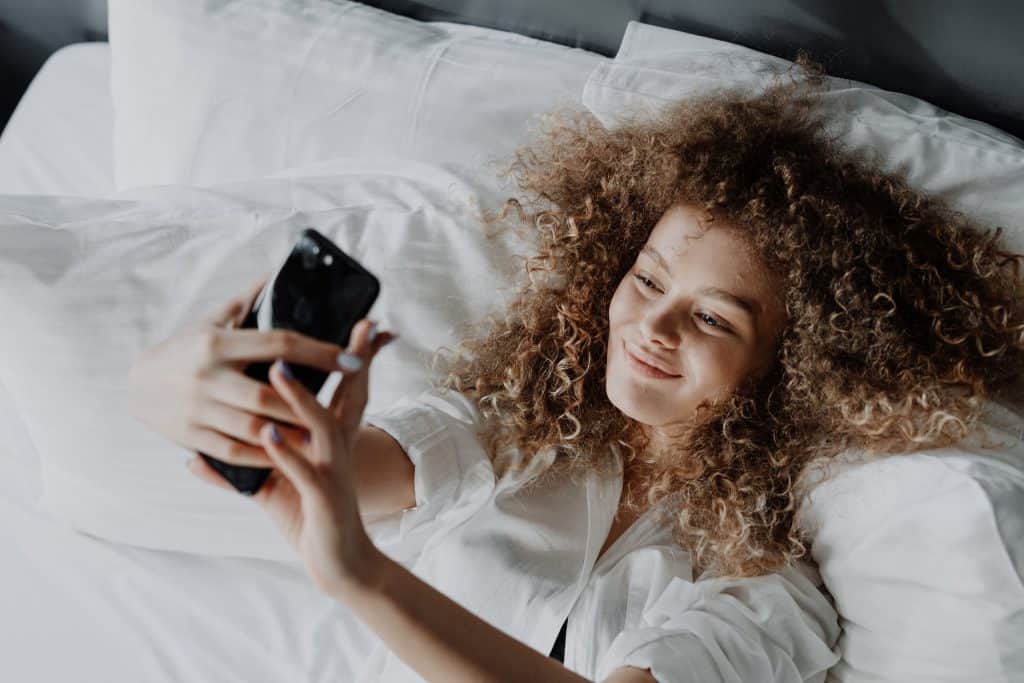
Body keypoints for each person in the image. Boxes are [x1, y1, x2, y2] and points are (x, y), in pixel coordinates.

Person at [128, 57, 1024, 682]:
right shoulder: (512, 430)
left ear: (789, 367)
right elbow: (344, 468)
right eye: (648, 279)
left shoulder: (768, 589)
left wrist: (359, 572)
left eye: (713, 317)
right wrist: (173, 390)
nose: (653, 324)